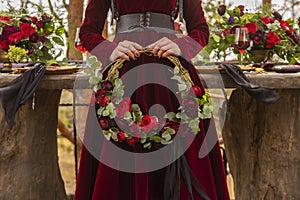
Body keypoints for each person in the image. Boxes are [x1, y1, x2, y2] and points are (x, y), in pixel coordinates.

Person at [75, 0, 230, 199]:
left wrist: (180, 45)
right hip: (122, 75)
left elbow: (200, 30)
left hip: (172, 77)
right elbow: (87, 31)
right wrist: (110, 50)